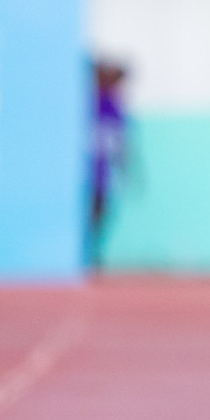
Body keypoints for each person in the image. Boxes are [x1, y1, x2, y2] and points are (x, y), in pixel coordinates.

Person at [88, 61, 129, 271]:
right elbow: (119, 141)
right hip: (92, 174)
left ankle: (91, 255)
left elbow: (118, 140)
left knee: (98, 214)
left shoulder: (111, 105)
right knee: (93, 214)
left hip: (99, 174)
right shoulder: (95, 104)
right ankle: (88, 255)